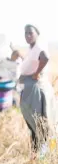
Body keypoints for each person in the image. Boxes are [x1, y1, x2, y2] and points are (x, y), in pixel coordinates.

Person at [18, 24, 57, 156]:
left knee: (39, 123)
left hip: (37, 90)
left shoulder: (39, 47)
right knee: (34, 124)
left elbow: (45, 57)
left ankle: (43, 156)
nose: (28, 36)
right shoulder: (32, 49)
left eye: (30, 33)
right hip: (31, 88)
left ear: (37, 34)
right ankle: (37, 156)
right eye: (25, 33)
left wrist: (36, 74)